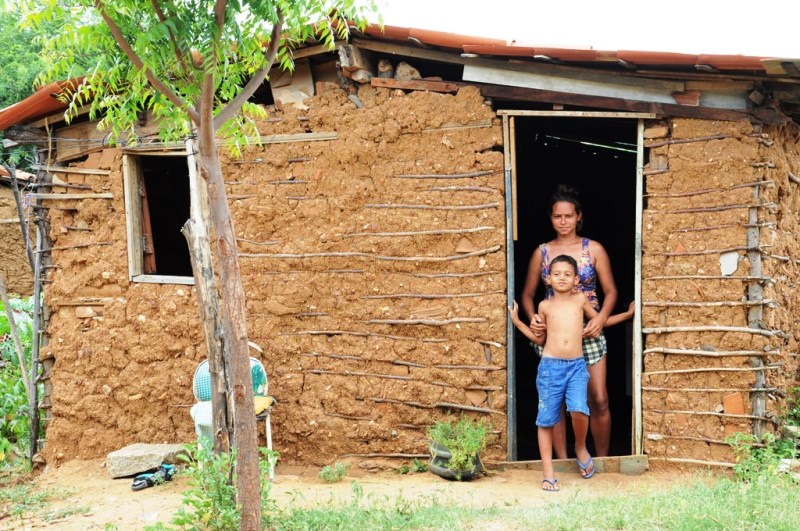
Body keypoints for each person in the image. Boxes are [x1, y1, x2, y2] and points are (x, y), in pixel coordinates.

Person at [521, 184, 630, 459]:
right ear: (550, 218)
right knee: (556, 401)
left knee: (598, 398)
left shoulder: (594, 249)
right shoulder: (542, 252)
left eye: (569, 216)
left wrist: (601, 318)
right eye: (557, 216)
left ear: (579, 216)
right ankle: (562, 461)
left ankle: (602, 459)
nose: (563, 221)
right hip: (554, 334)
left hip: (589, 331)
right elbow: (527, 294)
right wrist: (534, 317)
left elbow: (611, 291)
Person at [508, 255, 599, 491]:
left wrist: (611, 320)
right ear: (547, 278)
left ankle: (580, 446)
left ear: (576, 279)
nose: (562, 278)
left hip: (576, 366)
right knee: (546, 419)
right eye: (556, 274)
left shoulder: (580, 299)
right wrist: (518, 322)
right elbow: (539, 339)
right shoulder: (544, 306)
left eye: (567, 274)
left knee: (579, 409)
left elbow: (597, 321)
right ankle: (548, 473)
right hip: (550, 367)